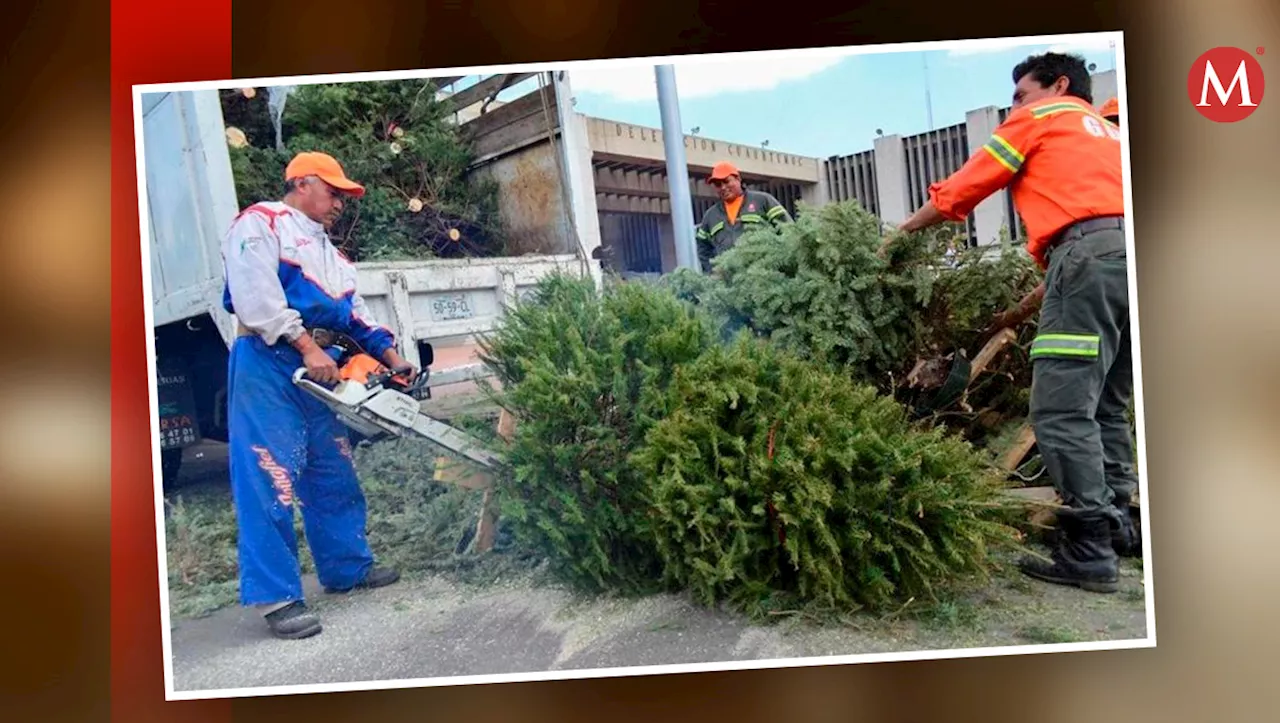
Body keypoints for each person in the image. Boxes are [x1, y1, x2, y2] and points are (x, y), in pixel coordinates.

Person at [893, 52, 1138, 593]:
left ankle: (1090, 549)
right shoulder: (1108, 136)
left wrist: (899, 235)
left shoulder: (1042, 117)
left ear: (1059, 84)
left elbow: (964, 188)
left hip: (1087, 262)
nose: (1015, 106)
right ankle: (1123, 527)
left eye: (1022, 93)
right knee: (1107, 406)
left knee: (1059, 410)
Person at [220, 151, 417, 639]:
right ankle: (278, 597)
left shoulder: (332, 254)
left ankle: (347, 568)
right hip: (269, 361)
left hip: (321, 370)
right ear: (302, 183)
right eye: (333, 193)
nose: (338, 205)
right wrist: (306, 345)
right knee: (270, 472)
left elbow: (356, 316)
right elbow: (256, 298)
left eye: (343, 198)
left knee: (333, 468)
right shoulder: (260, 223)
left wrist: (394, 360)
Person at [695, 161, 793, 273]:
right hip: (729, 284)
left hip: (765, 277)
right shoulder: (710, 216)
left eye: (726, 181)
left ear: (738, 179)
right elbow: (703, 247)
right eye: (718, 184)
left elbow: (789, 231)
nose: (723, 187)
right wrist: (711, 271)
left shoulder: (763, 201)